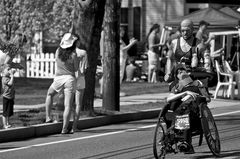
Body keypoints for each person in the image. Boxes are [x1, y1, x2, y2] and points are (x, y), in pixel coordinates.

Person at [166, 64, 210, 154]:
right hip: (178, 111)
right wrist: (184, 93)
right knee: (180, 112)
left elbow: (207, 98)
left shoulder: (197, 83)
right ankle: (169, 141)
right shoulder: (176, 85)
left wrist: (195, 96)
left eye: (183, 70)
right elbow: (169, 98)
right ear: (176, 75)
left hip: (194, 111)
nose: (181, 73)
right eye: (179, 72)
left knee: (186, 113)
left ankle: (185, 142)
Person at [45, 33, 80, 134]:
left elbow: (56, 60)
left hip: (58, 78)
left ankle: (48, 117)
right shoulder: (74, 55)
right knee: (68, 105)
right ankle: (64, 129)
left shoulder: (57, 51)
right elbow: (76, 68)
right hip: (70, 79)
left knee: (50, 94)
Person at [71, 48, 88, 132]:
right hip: (80, 77)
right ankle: (74, 127)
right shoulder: (83, 52)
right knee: (78, 103)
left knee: (67, 103)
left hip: (69, 77)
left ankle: (65, 125)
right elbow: (84, 68)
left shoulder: (64, 52)